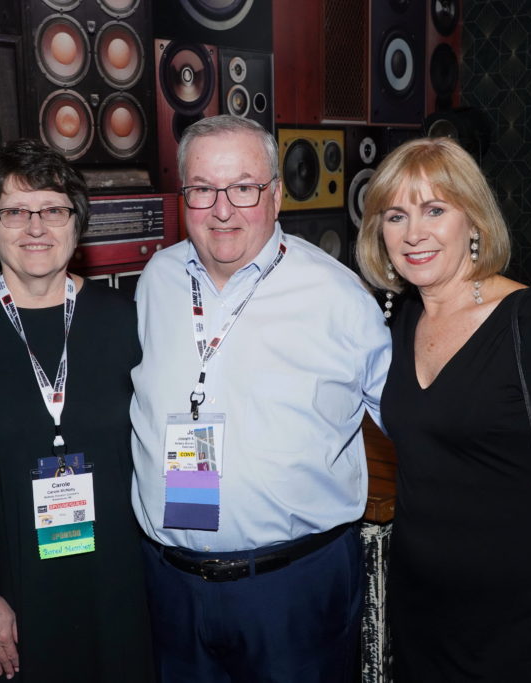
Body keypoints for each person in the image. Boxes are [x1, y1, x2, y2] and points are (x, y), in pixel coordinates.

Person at [356, 136, 531, 683]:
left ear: (474, 221)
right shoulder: (405, 321)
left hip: (519, 612)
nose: (414, 234)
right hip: (422, 605)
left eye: (435, 209)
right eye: (396, 215)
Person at [130, 114, 391, 682]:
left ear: (275, 196)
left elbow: (415, 423)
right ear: (183, 197)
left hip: (292, 591)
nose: (222, 209)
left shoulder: (337, 297)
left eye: (243, 188)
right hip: (172, 586)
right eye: (202, 190)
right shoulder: (157, 280)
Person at [0, 139, 153, 681]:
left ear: (77, 222)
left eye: (54, 209)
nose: (36, 227)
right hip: (6, 586)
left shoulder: (125, 319)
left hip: (115, 579)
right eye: (15, 211)